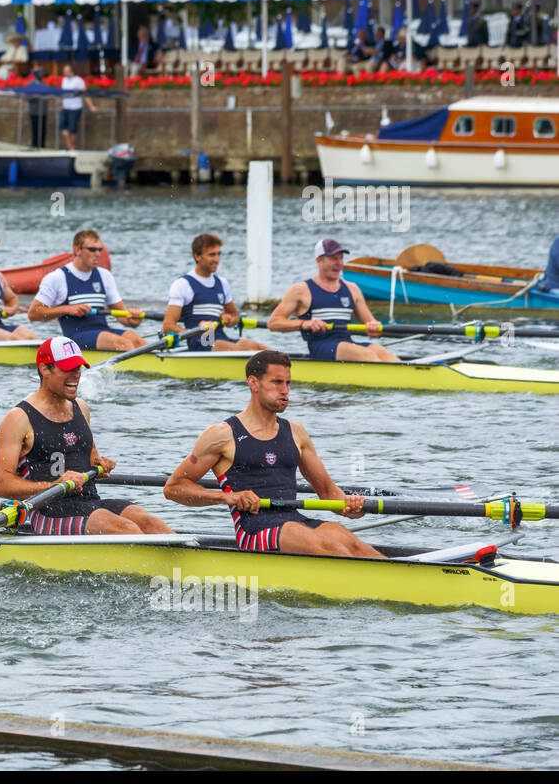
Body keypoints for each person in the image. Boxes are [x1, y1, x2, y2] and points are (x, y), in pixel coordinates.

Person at [164, 350, 383, 557]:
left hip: (294, 519)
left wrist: (353, 508)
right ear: (253, 383)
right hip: (254, 529)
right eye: (277, 382)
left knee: (356, 546)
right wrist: (228, 497)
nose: (285, 390)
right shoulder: (221, 435)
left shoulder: (297, 433)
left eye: (288, 383)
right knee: (327, 547)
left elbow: (328, 493)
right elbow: (174, 488)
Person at [0, 336, 171, 536]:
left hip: (90, 502)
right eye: (68, 369)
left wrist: (100, 464)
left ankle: (183, 562)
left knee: (150, 522)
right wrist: (52, 485)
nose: (76, 375)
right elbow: (1, 484)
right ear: (45, 369)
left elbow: (90, 459)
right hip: (49, 512)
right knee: (126, 529)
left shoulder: (81, 407)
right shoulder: (18, 419)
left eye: (78, 368)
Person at [267, 238, 398, 362]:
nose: (339, 263)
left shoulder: (352, 289)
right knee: (367, 355)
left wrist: (373, 326)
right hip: (321, 346)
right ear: (319, 260)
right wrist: (303, 324)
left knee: (385, 354)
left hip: (347, 343)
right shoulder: (301, 290)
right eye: (333, 259)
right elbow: (273, 323)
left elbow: (370, 323)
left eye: (341, 258)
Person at [28, 229, 145, 351]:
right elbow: (33, 314)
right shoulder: (57, 277)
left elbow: (122, 316)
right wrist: (68, 309)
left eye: (100, 250)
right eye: (92, 249)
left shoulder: (105, 276)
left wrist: (133, 319)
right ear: (78, 250)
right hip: (76, 336)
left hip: (104, 332)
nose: (98, 254)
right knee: (123, 344)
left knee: (140, 342)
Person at [163, 233, 266, 352]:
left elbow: (234, 316)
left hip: (221, 338)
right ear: (197, 256)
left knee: (257, 347)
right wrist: (197, 330)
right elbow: (168, 326)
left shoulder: (222, 283)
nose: (217, 259)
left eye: (218, 254)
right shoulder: (183, 284)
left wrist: (230, 319)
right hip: (200, 341)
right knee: (241, 349)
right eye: (212, 255)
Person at [57, 65, 97, 150]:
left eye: (66, 71)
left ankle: (71, 148)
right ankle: (70, 147)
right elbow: (63, 94)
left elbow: (85, 94)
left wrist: (91, 106)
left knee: (72, 128)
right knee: (62, 127)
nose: (64, 72)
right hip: (65, 108)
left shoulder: (78, 81)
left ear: (71, 71)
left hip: (75, 108)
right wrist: (62, 105)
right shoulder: (64, 80)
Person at [27, 65, 49, 147]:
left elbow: (47, 95)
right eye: (40, 73)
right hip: (34, 111)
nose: (42, 74)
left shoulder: (44, 84)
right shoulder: (30, 84)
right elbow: (28, 96)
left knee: (43, 129)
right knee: (35, 128)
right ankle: (34, 144)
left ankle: (42, 145)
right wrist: (37, 96)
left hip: (43, 110)